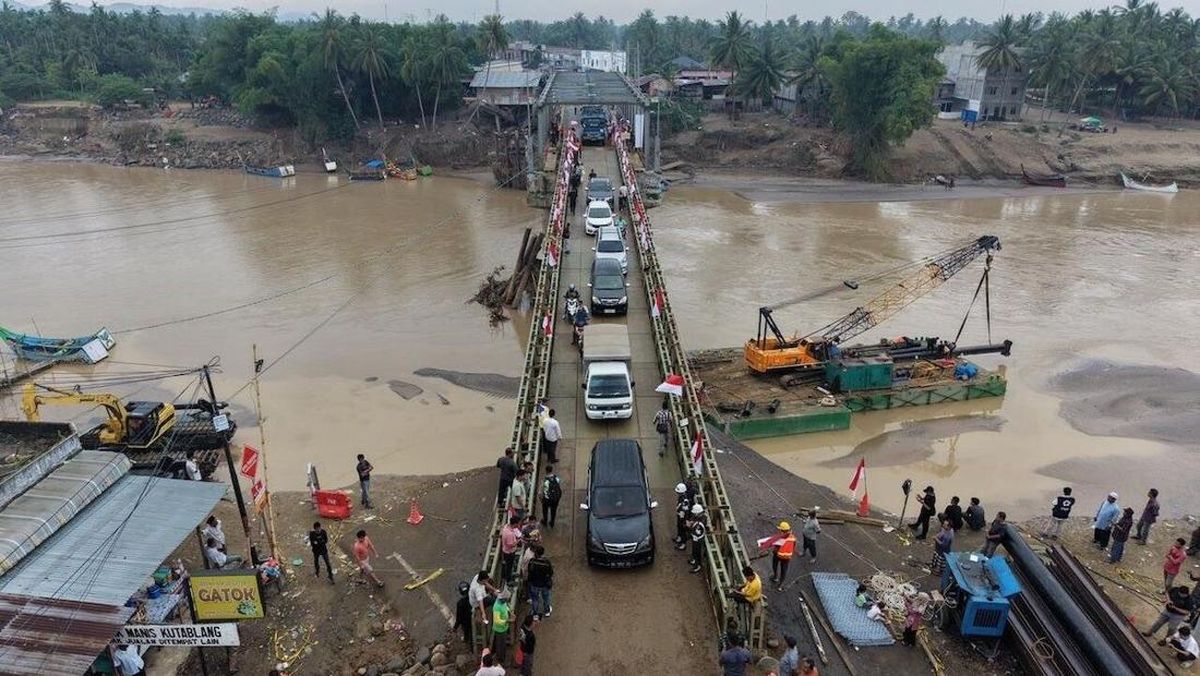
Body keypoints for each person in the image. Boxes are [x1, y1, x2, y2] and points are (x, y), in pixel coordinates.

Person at [769, 521, 798, 590]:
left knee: (775, 565)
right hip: (787, 557)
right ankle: (780, 585)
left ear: (782, 530)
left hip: (778, 555)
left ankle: (775, 577)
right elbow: (793, 546)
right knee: (784, 570)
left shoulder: (780, 538)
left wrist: (774, 551)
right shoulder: (793, 538)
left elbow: (776, 548)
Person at [526, 544, 554, 616]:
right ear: (543, 553)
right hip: (544, 583)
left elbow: (529, 571)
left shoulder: (532, 561)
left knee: (535, 599)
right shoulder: (546, 562)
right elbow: (550, 572)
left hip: (534, 584)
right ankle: (547, 611)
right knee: (546, 598)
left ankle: (535, 613)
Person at [490, 591, 512, 664]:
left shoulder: (503, 602)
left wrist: (510, 612)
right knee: (500, 645)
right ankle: (501, 659)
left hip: (504, 627)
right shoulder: (496, 607)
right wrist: (507, 621)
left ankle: (503, 657)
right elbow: (497, 621)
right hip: (499, 629)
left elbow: (506, 607)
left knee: (503, 644)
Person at [500, 516, 522, 582]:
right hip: (509, 552)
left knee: (508, 564)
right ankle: (508, 579)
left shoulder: (507, 526)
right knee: (509, 566)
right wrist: (518, 541)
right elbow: (510, 545)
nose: (518, 525)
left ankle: (506, 575)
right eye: (518, 523)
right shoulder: (509, 534)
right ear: (515, 524)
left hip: (506, 550)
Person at [687, 503, 707, 574]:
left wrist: (690, 526)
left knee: (697, 553)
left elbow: (697, 533)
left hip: (697, 540)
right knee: (694, 552)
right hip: (696, 539)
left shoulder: (699, 524)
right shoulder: (702, 518)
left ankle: (697, 566)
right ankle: (694, 561)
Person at [673, 483, 692, 549]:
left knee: (683, 530)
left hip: (683, 517)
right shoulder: (681, 497)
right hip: (680, 516)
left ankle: (683, 544)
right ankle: (679, 538)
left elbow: (685, 511)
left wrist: (684, 520)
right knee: (679, 527)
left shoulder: (685, 500)